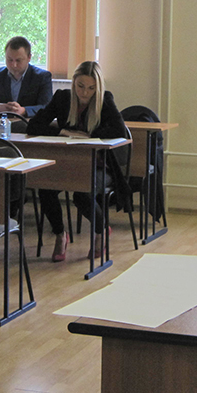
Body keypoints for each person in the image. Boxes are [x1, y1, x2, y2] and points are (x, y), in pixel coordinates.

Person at [26, 61, 128, 262]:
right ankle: (60, 234)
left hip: (99, 165)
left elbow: (120, 131)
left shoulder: (105, 100)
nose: (84, 92)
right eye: (80, 86)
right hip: (67, 163)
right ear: (73, 82)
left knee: (82, 194)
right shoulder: (62, 98)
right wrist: (61, 131)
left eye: (91, 88)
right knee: (45, 189)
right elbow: (34, 126)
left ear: (98, 88)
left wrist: (89, 135)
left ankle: (101, 231)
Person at [0, 36, 53, 118]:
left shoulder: (42, 77)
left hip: (30, 124)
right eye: (10, 60)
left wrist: (24, 110)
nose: (14, 65)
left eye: (18, 60)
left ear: (29, 58)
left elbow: (47, 107)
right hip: (4, 123)